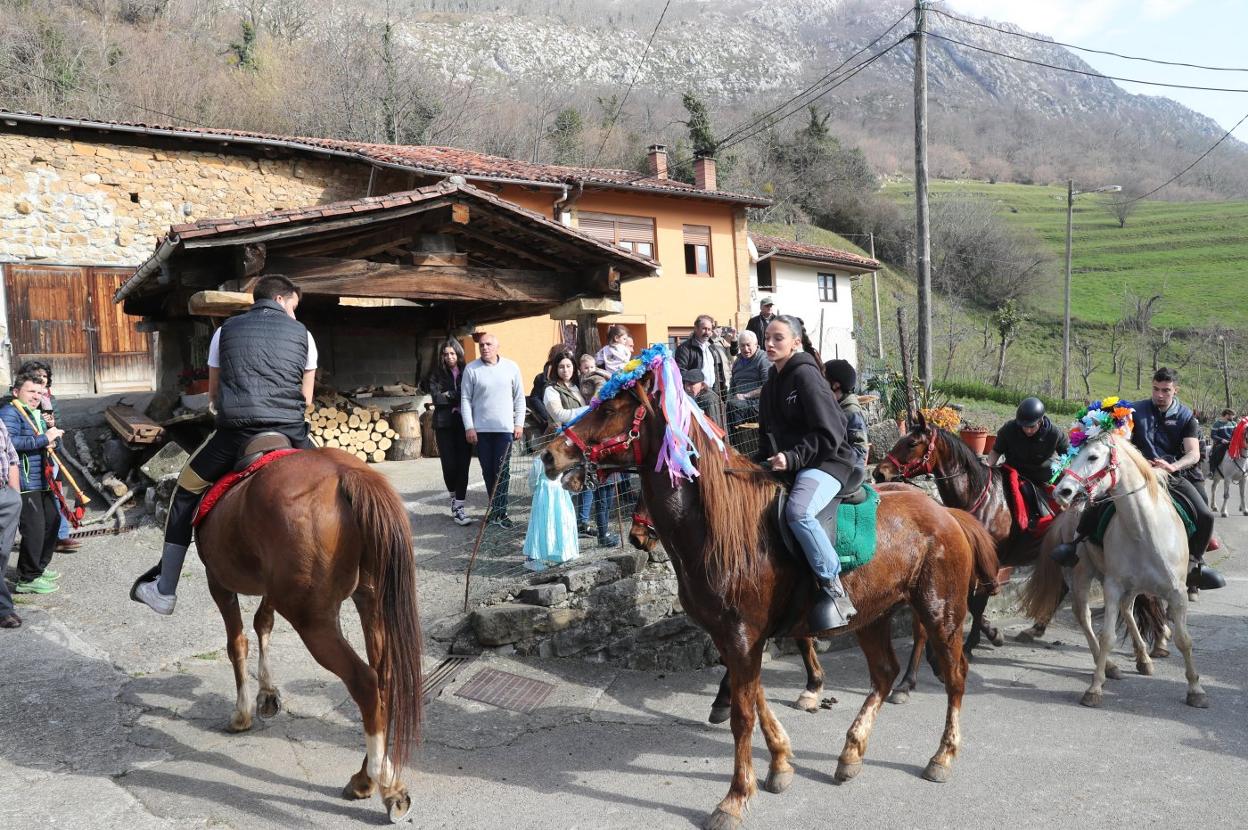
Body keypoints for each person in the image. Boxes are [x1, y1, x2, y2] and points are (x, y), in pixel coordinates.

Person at [132, 275, 318, 615]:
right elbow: (306, 399)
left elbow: (214, 393)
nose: (294, 314)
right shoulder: (304, 334)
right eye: (294, 305)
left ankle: (165, 589)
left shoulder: (224, 331)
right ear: (280, 299)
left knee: (184, 491)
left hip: (236, 434)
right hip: (291, 431)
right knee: (331, 480)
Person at [1052, 369, 1222, 593]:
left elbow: (1194, 454)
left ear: (1175, 390)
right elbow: (1117, 440)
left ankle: (1196, 564)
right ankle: (1075, 545)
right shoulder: (1134, 411)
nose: (1160, 395)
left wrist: (1173, 466)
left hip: (1173, 475)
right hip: (1136, 475)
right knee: (1097, 503)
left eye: (1166, 391)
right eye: (1156, 389)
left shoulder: (1186, 417)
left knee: (1206, 514)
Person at [755, 316, 859, 630]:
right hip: (794, 464)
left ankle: (833, 586)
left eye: (778, 338)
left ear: (796, 342)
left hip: (829, 462)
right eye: (767, 338)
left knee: (799, 512)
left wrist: (792, 457)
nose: (769, 344)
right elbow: (765, 441)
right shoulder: (770, 385)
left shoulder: (806, 376)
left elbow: (831, 432)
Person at [542, 352, 618, 550]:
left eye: (568, 366)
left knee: (585, 485)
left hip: (579, 444)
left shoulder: (578, 387)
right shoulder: (551, 390)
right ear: (555, 369)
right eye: (561, 367)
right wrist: (587, 411)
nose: (565, 370)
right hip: (562, 446)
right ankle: (563, 535)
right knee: (563, 491)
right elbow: (559, 414)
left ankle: (584, 524)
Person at [2, 373, 66, 596]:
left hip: (43, 478)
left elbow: (45, 440)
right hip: (25, 480)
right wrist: (44, 439)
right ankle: (27, 578)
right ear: (16, 391)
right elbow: (9, 442)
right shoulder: (10, 412)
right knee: (35, 529)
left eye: (39, 393)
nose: (36, 396)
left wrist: (53, 437)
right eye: (31, 391)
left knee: (53, 521)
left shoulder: (35, 413)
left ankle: (38, 567)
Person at [461, 333, 525, 529]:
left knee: (502, 471)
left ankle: (501, 512)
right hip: (481, 431)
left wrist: (519, 423)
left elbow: (519, 398)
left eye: (488, 344)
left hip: (504, 429)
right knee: (488, 471)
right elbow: (465, 399)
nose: (484, 347)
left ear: (497, 346)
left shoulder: (511, 367)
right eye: (481, 345)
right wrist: (469, 426)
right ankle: (494, 509)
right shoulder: (471, 369)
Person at [16, 361, 79, 553]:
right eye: (36, 375)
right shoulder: (13, 401)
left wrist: (52, 430)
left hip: (49, 456)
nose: (41, 379)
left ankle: (60, 536)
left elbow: (57, 427)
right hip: (26, 459)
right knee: (28, 504)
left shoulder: (50, 400)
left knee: (56, 494)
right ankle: (36, 543)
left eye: (44, 375)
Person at [426, 339, 474, 526]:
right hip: (444, 424)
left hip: (465, 424)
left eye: (452, 353)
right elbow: (437, 398)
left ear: (459, 354)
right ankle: (453, 496)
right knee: (449, 465)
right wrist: (456, 396)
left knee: (464, 464)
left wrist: (449, 395)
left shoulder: (468, 371)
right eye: (446, 354)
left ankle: (459, 506)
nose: (449, 357)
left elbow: (469, 394)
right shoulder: (436, 374)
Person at [988, 397, 1069, 489]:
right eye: (1024, 426)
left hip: (1042, 476)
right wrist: (987, 467)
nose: (1028, 430)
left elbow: (1068, 455)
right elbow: (996, 451)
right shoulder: (1009, 429)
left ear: (1040, 421)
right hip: (1014, 472)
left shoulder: (1055, 434)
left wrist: (1066, 470)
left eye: (1032, 426)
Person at [675, 314, 732, 414]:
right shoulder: (684, 348)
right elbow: (680, 372)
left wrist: (718, 391)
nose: (707, 332)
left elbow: (716, 371)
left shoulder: (711, 347)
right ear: (696, 328)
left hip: (713, 391)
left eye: (709, 329)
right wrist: (696, 384)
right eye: (704, 329)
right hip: (695, 394)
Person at [824, 359, 869, 471]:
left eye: (822, 380)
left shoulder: (851, 411)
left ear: (835, 385)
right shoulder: (831, 405)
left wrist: (837, 463)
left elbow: (860, 448)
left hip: (848, 470)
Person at [0, 417, 22, 628]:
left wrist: (15, 495)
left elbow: (11, 457)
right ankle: (4, 609)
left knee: (3, 554)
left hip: (5, 496)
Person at [727, 330, 768, 431]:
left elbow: (768, 387)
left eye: (748, 345)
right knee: (727, 405)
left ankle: (734, 441)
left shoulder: (763, 359)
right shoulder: (737, 362)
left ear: (756, 344)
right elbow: (732, 387)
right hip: (739, 404)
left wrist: (745, 396)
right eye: (742, 346)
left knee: (733, 406)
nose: (745, 349)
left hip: (758, 404)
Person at [1208, 407, 1237, 473]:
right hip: (1221, 443)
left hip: (1232, 442)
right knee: (1216, 453)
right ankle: (1212, 470)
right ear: (1226, 415)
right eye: (1231, 415)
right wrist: (1222, 440)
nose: (1233, 417)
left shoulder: (1234, 424)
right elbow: (1213, 435)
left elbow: (1236, 434)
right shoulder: (1217, 424)